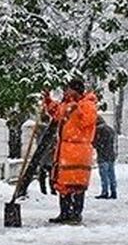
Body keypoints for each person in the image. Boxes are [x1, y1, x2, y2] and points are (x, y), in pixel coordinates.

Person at [42, 78, 99, 224]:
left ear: (75, 90)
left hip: (78, 150)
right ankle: (64, 213)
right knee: (63, 184)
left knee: (77, 184)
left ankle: (76, 213)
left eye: (68, 89)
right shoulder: (67, 105)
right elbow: (56, 114)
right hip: (65, 150)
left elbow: (86, 121)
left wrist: (75, 106)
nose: (65, 92)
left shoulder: (87, 104)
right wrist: (48, 101)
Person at [93, 115, 118, 199]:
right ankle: (113, 191)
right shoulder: (110, 129)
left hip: (102, 156)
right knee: (111, 175)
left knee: (104, 175)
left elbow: (95, 143)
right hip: (111, 155)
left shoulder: (98, 130)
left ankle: (105, 192)